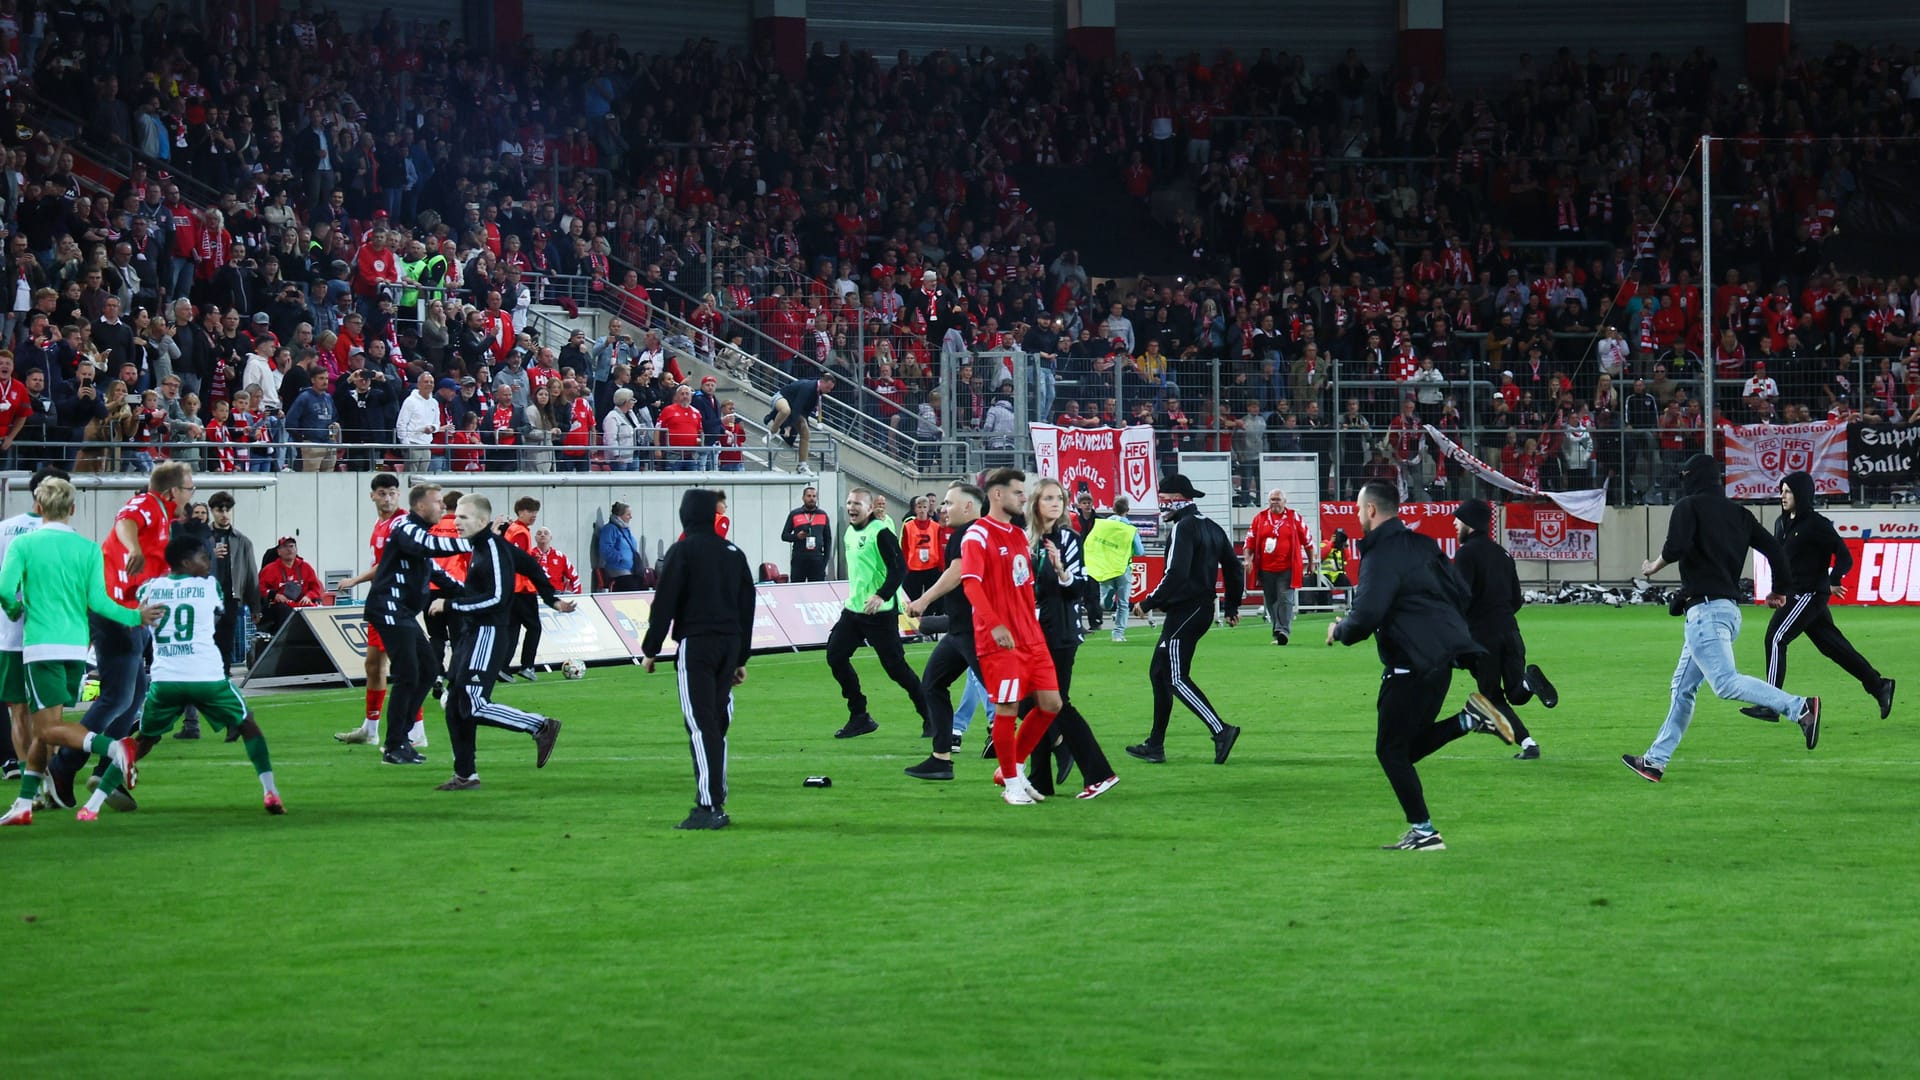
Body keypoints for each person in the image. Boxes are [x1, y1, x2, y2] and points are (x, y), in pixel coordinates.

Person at [1328, 482, 1516, 851]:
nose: (1355, 514)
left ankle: (1425, 832)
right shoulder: (1425, 545)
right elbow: (1460, 593)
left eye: (1357, 508)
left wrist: (1341, 631)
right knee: (1403, 750)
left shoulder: (1381, 554)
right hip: (1440, 662)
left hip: (1409, 663)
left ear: (1370, 511)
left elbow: (1366, 615)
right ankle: (1468, 720)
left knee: (1391, 752)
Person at [1624, 454, 1821, 783]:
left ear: (1693, 477)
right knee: (1682, 690)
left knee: (1726, 683)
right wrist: (1781, 589)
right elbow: (1774, 548)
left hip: (1705, 614)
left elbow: (1676, 546)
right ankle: (1654, 761)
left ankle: (1799, 707)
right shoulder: (1740, 514)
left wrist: (1652, 567)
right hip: (1726, 611)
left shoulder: (1689, 506)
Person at [84, 535, 286, 818]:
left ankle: (92, 806)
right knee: (248, 725)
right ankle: (271, 792)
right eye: (203, 557)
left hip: (166, 679)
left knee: (144, 740)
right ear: (185, 561)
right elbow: (215, 615)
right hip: (207, 677)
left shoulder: (150, 588)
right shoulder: (208, 586)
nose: (208, 563)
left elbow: (135, 615)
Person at [0, 478, 163, 826]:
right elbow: (100, 602)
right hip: (75, 648)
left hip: (41, 646)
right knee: (50, 725)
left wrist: (14, 611)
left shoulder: (24, 544)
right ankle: (24, 804)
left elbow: (3, 589)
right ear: (73, 509)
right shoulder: (89, 549)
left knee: (46, 729)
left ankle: (115, 748)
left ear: (38, 507)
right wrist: (136, 615)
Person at [47, 461, 191, 809]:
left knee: (134, 693)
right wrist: (135, 550)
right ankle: (64, 766)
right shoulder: (147, 505)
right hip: (116, 611)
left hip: (134, 613)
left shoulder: (163, 518)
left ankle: (105, 770)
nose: (191, 495)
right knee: (117, 696)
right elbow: (124, 522)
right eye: (189, 488)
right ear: (173, 491)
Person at [427, 493, 571, 791]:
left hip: (487, 633)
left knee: (473, 703)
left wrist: (451, 605)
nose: (456, 521)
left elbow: (497, 598)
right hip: (472, 633)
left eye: (463, 517)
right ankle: (466, 775)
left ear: (482, 521)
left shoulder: (491, 548)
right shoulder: (485, 545)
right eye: (456, 516)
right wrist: (551, 598)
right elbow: (530, 566)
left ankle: (539, 725)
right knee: (455, 704)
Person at [1738, 471, 1895, 723]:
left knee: (1776, 638)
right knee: (1834, 647)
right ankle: (1878, 685)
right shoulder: (1781, 523)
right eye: (1782, 490)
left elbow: (1845, 556)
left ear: (1801, 494)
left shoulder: (1817, 524)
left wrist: (1834, 581)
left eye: (1788, 491)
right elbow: (1781, 560)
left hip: (1809, 594)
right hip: (1795, 595)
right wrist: (1777, 590)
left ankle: (1771, 704)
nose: (1783, 495)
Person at [640, 489, 756, 830]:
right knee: (714, 721)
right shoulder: (734, 552)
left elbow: (665, 604)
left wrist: (651, 649)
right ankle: (713, 797)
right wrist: (741, 657)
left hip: (698, 643)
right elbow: (747, 605)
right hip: (729, 643)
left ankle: (709, 804)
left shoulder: (683, 551)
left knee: (700, 723)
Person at [1125, 474, 1245, 765]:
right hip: (1200, 609)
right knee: (1159, 672)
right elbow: (1233, 567)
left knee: (1175, 677)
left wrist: (1149, 602)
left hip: (1186, 610)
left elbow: (1175, 574)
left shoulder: (1183, 527)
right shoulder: (1212, 526)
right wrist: (1230, 606)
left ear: (1176, 498)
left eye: (1163, 499)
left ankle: (1220, 730)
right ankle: (1155, 744)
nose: (1161, 506)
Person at [961, 469, 1063, 806]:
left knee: (1051, 704)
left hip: (1030, 637)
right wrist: (995, 625)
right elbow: (971, 584)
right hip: (999, 640)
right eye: (1018, 492)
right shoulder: (977, 535)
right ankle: (1012, 785)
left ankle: (1012, 769)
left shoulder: (1018, 535)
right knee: (1007, 708)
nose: (1023, 498)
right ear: (996, 495)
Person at [1024, 477, 1120, 800]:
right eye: (1048, 498)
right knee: (1038, 705)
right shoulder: (1026, 540)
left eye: (1059, 499)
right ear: (1035, 503)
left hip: (1060, 632)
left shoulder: (1069, 539)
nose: (1055, 504)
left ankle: (1097, 771)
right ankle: (1040, 780)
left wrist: (1061, 570)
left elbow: (1079, 587)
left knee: (1054, 704)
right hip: (1032, 632)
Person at [366, 482, 474, 766]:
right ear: (420, 506)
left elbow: (442, 576)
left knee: (427, 670)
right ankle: (393, 745)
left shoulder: (420, 536)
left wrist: (480, 598)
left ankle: (402, 739)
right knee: (408, 674)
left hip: (402, 612)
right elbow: (431, 547)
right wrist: (473, 540)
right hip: (388, 608)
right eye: (437, 501)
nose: (442, 506)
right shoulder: (406, 527)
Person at [1451, 498, 1559, 761]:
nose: (1454, 524)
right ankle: (1528, 684)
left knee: (1491, 697)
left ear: (1470, 524)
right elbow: (1516, 599)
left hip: (1483, 637)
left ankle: (1529, 743)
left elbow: (1460, 598)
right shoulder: (1503, 554)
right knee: (1515, 693)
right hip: (1511, 632)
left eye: (1458, 519)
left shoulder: (1466, 554)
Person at [332, 473, 426, 749]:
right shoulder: (380, 523)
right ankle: (370, 728)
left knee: (404, 667)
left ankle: (416, 730)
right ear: (372, 495)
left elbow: (387, 564)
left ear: (399, 495)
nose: (387, 498)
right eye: (382, 493)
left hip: (396, 603)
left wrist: (355, 580)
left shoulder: (402, 523)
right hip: (383, 601)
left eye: (392, 493)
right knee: (373, 665)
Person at [824, 487, 926, 738]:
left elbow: (899, 568)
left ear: (870, 508)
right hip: (854, 610)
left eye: (857, 503)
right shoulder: (849, 532)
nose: (852, 507)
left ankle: (930, 714)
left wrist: (882, 595)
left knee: (896, 669)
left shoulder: (880, 532)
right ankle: (859, 715)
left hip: (880, 613)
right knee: (835, 656)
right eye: (849, 503)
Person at [903, 482, 987, 782]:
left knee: (1007, 696)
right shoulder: (969, 532)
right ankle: (941, 759)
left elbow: (957, 571)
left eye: (949, 503)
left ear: (968, 507)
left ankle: (1057, 739)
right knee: (933, 683)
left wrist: (924, 600)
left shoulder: (968, 533)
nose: (942, 508)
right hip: (959, 628)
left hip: (974, 630)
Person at [0, 466, 66, 782]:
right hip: (50, 634)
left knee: (20, 710)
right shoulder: (63, 533)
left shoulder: (5, 529)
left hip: (10, 635)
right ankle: (46, 771)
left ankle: (29, 771)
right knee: (50, 709)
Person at [1245, 488, 1313, 645]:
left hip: (1287, 568)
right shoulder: (1260, 518)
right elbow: (1250, 540)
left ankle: (1283, 630)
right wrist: (1248, 559)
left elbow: (1307, 541)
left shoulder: (1294, 517)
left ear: (1284, 501)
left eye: (1278, 499)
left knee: (1285, 598)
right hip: (1265, 568)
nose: (1274, 502)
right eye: (1272, 499)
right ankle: (1278, 629)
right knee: (1271, 601)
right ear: (1268, 501)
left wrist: (1311, 561)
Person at [1083, 495, 1142, 643]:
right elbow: (1140, 551)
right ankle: (1118, 634)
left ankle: (1108, 596)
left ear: (1113, 509)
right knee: (1123, 603)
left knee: (1104, 604)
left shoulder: (1101, 525)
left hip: (1105, 566)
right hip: (1123, 567)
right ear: (1127, 510)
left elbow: (1091, 542)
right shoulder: (1129, 529)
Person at [499, 496, 542, 682]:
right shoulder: (520, 532)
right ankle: (527, 666)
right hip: (522, 588)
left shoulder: (513, 529)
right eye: (530, 511)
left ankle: (503, 667)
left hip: (511, 587)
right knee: (534, 627)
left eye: (535, 512)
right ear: (520, 512)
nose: (533, 515)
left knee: (512, 629)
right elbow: (515, 558)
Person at [764, 371, 835, 472]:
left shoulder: (817, 393)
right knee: (785, 410)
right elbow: (797, 407)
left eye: (830, 389)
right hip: (782, 398)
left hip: (793, 406)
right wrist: (788, 427)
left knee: (806, 433)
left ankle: (802, 464)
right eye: (828, 388)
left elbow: (805, 412)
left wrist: (803, 424)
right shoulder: (808, 387)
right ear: (822, 382)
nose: (829, 391)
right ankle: (772, 432)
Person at [255, 535, 323, 636]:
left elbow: (317, 588)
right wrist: (274, 595)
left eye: (292, 546)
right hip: (281, 608)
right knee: (283, 610)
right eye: (285, 547)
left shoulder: (306, 567)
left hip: (303, 605)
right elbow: (259, 588)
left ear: (296, 549)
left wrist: (309, 596)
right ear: (279, 551)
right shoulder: (269, 569)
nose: (289, 549)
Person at [900, 495, 947, 604]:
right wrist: (905, 566)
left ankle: (930, 618)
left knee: (932, 597)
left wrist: (941, 565)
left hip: (932, 566)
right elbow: (905, 547)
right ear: (915, 509)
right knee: (912, 598)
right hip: (914, 567)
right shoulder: (908, 526)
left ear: (928, 508)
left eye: (924, 507)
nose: (922, 510)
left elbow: (939, 546)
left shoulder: (936, 526)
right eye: (919, 507)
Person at [781, 486, 831, 582]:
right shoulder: (794, 514)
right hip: (799, 559)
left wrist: (825, 560)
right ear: (803, 498)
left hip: (817, 560)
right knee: (797, 590)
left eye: (814, 496)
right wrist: (796, 537)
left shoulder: (823, 515)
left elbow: (828, 539)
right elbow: (784, 536)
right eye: (809, 496)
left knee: (817, 591)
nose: (811, 498)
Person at [597, 501, 643, 590]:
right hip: (618, 569)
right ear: (620, 516)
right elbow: (605, 549)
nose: (631, 517)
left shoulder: (626, 530)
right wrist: (620, 557)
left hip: (630, 570)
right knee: (631, 586)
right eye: (628, 515)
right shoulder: (610, 529)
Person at [533, 528, 580, 594]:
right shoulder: (530, 555)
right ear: (535, 538)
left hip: (557, 595)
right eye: (539, 533)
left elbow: (574, 576)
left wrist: (578, 596)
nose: (542, 535)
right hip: (536, 595)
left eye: (546, 533)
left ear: (551, 537)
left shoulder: (559, 556)